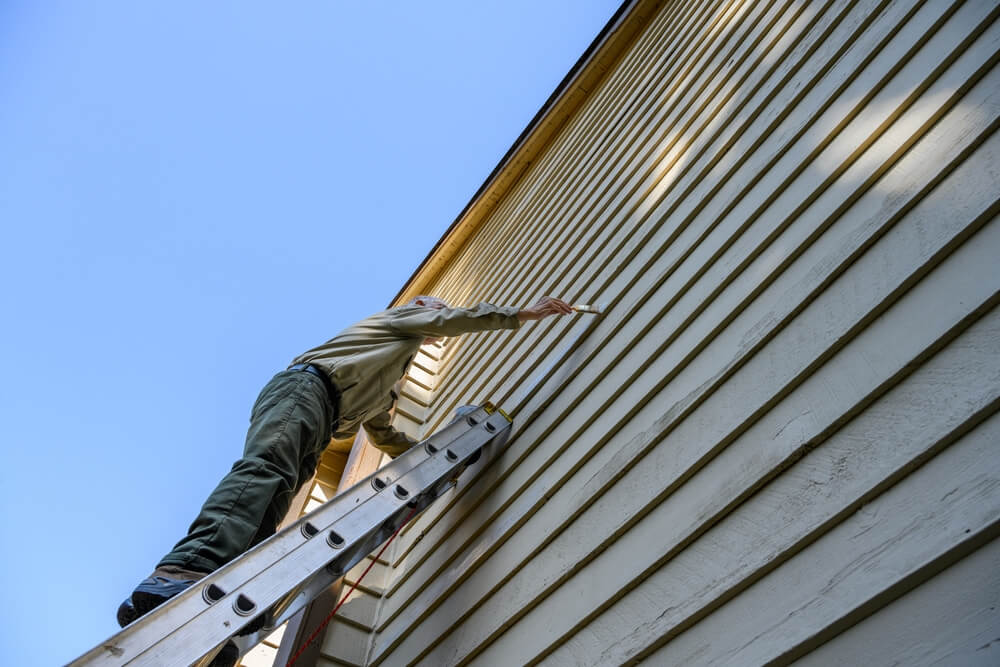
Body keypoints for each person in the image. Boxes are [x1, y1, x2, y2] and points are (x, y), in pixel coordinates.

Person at [117, 295, 574, 627]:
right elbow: (451, 319)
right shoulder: (397, 321)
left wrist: (428, 462)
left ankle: (228, 587)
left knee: (275, 497)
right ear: (419, 308)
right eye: (431, 311)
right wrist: (521, 314)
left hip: (323, 408)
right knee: (266, 470)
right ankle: (183, 569)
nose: (435, 322)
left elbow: (381, 429)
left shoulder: (387, 371)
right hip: (306, 389)